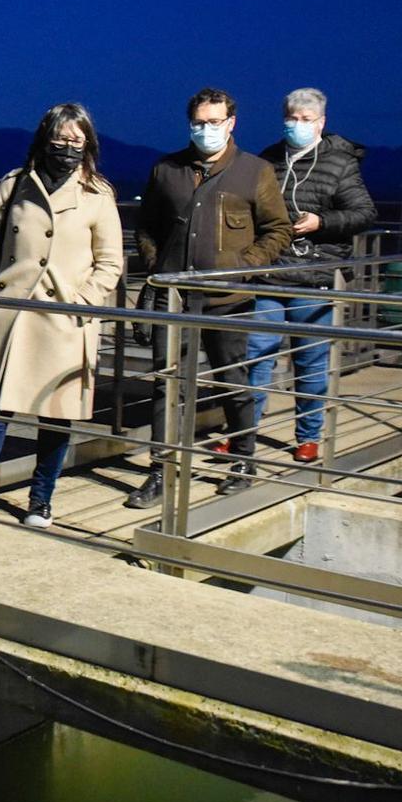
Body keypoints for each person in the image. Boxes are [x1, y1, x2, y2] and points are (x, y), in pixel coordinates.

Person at [127, 88, 291, 508]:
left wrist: (243, 265)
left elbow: (278, 229)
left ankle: (242, 461)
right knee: (166, 387)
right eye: (199, 122)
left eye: (215, 122)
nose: (207, 130)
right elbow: (146, 227)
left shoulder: (255, 171)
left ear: (231, 123)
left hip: (229, 300)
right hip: (174, 299)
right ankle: (161, 471)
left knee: (232, 381)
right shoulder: (167, 170)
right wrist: (156, 265)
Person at [0, 103, 124, 528]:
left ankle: (41, 500)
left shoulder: (98, 194)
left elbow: (111, 262)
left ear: (88, 145)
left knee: (56, 416)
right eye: (60, 139)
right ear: (44, 138)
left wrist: (82, 301)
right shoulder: (12, 186)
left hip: (64, 319)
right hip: (9, 316)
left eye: (77, 141)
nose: (67, 147)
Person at [244, 89, 377, 463]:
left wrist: (324, 222)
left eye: (305, 119)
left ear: (320, 122)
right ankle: (243, 434)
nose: (296, 125)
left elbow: (364, 212)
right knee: (256, 358)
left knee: (311, 361)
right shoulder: (268, 160)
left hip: (314, 275)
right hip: (270, 273)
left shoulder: (340, 162)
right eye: (291, 118)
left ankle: (308, 436)